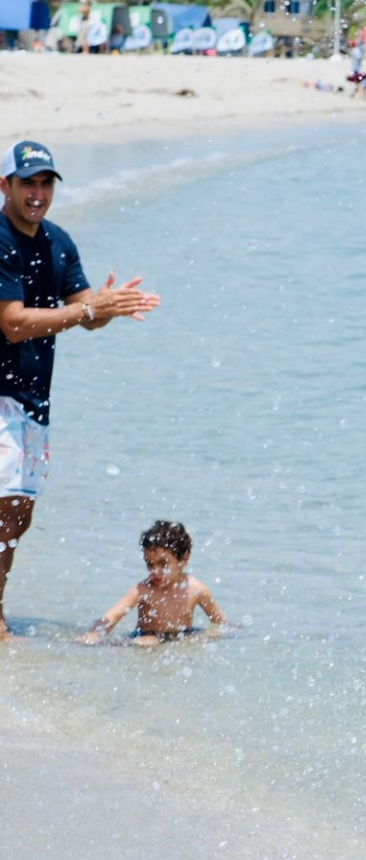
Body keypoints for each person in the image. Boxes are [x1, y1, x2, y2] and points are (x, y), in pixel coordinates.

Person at [0, 140, 159, 641]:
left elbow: (84, 312)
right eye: (28, 183)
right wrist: (87, 311)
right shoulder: (0, 240)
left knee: (19, 514)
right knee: (4, 506)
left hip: (33, 397)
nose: (38, 193)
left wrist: (107, 307)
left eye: (46, 183)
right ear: (5, 186)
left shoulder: (59, 242)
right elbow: (13, 323)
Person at [78, 521, 228, 645]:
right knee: (134, 644)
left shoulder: (196, 589)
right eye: (150, 564)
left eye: (163, 564)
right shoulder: (143, 590)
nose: (155, 571)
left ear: (184, 559)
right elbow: (111, 618)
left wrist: (205, 636)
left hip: (182, 638)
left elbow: (222, 623)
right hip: (145, 639)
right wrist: (95, 634)